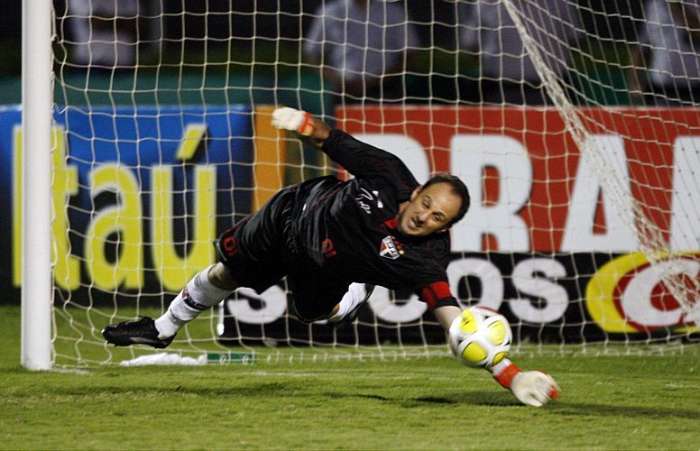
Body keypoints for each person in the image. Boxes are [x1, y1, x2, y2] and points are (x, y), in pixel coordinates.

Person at [102, 106, 559, 407]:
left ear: (444, 228)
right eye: (425, 204)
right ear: (418, 191)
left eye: (437, 217)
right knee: (226, 272)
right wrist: (299, 122)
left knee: (313, 313)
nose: (424, 216)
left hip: (324, 268)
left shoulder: (423, 259)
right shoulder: (387, 173)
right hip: (292, 214)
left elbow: (454, 320)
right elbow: (332, 139)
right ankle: (162, 329)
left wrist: (511, 375)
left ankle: (354, 294)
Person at [458, 0, 581, 105]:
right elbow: (471, 44)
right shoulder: (486, 3)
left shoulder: (559, 3)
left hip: (551, 91)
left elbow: (574, 41)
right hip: (501, 90)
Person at [303, 0, 420, 102]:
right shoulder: (331, 11)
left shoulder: (394, 12)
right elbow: (312, 52)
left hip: (385, 89)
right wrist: (334, 78)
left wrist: (378, 80)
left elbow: (410, 52)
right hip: (344, 89)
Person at [628, 0, 700, 106]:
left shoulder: (695, 4)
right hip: (660, 90)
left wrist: (676, 6)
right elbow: (642, 46)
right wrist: (635, 82)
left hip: (693, 90)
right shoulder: (654, 5)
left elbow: (696, 30)